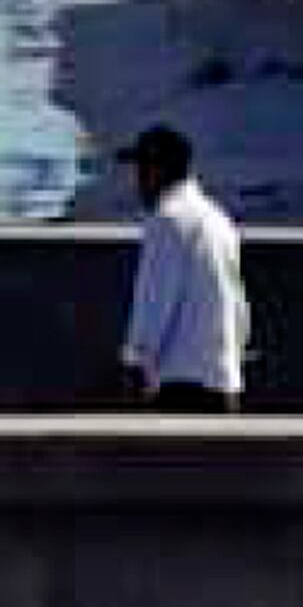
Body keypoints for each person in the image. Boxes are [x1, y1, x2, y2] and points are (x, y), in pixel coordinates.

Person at [119, 122, 249, 406]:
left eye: (143, 169)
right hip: (224, 380)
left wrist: (134, 362)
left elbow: (154, 302)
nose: (138, 181)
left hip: (182, 386)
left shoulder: (168, 220)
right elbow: (239, 304)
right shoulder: (217, 217)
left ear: (161, 171)